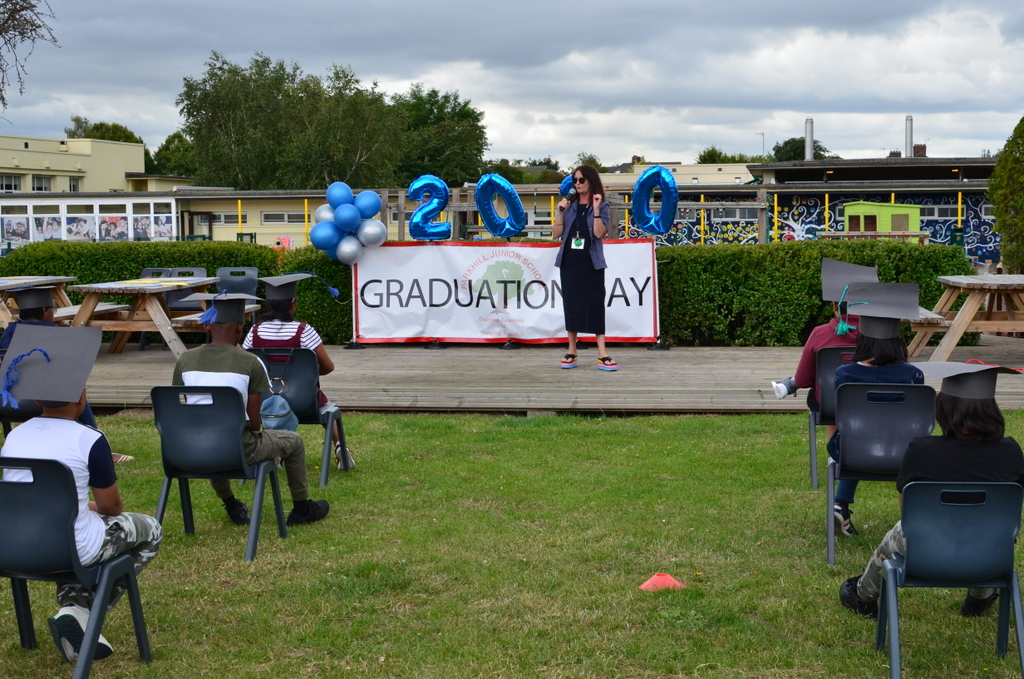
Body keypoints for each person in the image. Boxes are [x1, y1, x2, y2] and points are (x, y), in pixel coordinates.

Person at [0, 325, 161, 663]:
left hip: (13, 545)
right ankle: (85, 615)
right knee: (150, 530)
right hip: (71, 548)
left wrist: (73, 504)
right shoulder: (89, 439)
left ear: (38, 398)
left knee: (84, 529)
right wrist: (83, 506)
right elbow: (111, 506)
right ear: (82, 395)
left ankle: (73, 608)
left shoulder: (14, 438)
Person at [840, 362, 1024, 619]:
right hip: (993, 548)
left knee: (895, 534)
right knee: (986, 531)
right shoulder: (1012, 453)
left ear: (944, 408)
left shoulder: (922, 450)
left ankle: (862, 594)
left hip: (925, 547)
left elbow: (908, 514)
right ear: (991, 410)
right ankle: (981, 595)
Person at [171, 292, 330, 527]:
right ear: (240, 327)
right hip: (238, 450)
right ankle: (302, 508)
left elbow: (179, 407)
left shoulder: (184, 360)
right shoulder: (250, 363)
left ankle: (232, 504)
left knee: (209, 431)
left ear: (207, 327)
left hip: (189, 449)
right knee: (293, 441)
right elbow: (255, 424)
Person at [827, 282, 924, 536]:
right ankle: (909, 523)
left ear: (862, 339)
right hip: (902, 454)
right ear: (897, 340)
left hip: (853, 452)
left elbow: (841, 416)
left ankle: (840, 503)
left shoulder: (844, 374)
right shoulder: (913, 375)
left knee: (852, 434)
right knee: (909, 442)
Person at [241, 273, 352, 470]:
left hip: (263, 402)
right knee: (324, 403)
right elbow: (328, 367)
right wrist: (304, 376)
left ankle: (273, 448)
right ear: (293, 303)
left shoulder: (254, 331)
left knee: (269, 395)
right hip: (303, 403)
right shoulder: (304, 330)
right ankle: (340, 446)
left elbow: (248, 365)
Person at [0, 286, 122, 456]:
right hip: (44, 400)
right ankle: (96, 441)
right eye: (53, 309)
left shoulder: (10, 330)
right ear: (44, 310)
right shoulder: (56, 333)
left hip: (7, 400)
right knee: (77, 390)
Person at [771, 259, 879, 433]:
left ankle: (833, 452)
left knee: (829, 392)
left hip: (830, 404)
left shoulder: (820, 334)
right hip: (876, 403)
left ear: (835, 305)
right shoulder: (884, 335)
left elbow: (803, 380)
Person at [552, 164, 616, 371]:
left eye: (581, 180)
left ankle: (602, 352)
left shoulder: (602, 205)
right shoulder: (569, 204)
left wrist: (596, 210)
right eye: (575, 181)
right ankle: (572, 350)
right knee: (571, 304)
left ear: (590, 181)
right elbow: (556, 233)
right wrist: (560, 213)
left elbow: (599, 233)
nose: (577, 184)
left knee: (595, 304)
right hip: (570, 261)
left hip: (591, 261)